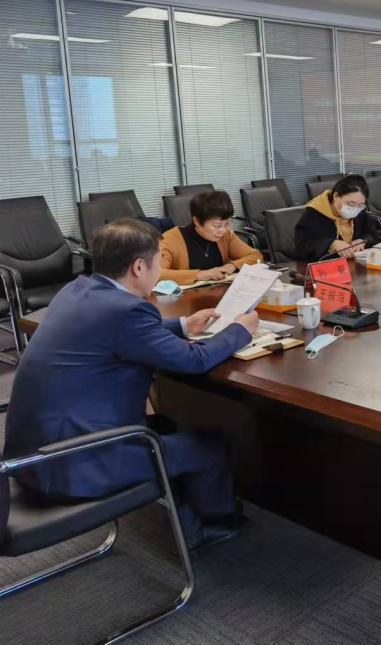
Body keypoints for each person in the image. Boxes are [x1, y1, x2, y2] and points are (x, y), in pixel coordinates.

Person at [2, 220, 259, 550]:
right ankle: (214, 525)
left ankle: (186, 519)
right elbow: (193, 360)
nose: (159, 269)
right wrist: (240, 331)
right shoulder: (128, 311)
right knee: (210, 448)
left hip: (31, 455)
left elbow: (117, 333)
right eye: (158, 261)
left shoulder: (77, 290)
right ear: (139, 267)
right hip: (75, 463)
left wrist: (182, 325)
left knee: (167, 425)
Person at [159, 190, 262, 285]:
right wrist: (199, 275)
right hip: (186, 297)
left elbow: (255, 256)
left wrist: (232, 266)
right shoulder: (170, 239)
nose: (223, 230)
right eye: (217, 226)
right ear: (197, 221)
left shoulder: (225, 236)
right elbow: (158, 274)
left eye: (227, 224)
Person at [294, 174, 381, 262]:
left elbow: (375, 237)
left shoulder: (359, 211)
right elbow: (301, 249)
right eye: (350, 204)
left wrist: (364, 241)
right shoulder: (314, 212)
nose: (354, 209)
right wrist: (332, 244)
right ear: (336, 196)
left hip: (354, 264)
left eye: (360, 205)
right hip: (327, 267)